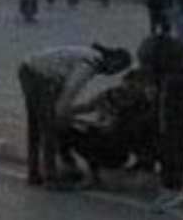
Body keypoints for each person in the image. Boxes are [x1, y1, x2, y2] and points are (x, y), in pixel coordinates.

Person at [17, 43, 132, 189]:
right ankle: (50, 178)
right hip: (41, 77)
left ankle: (34, 173)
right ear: (113, 61)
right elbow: (71, 89)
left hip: (28, 68)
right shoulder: (91, 63)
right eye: (117, 68)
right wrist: (60, 113)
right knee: (49, 129)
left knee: (35, 126)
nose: (113, 73)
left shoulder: (89, 54)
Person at [137, 28, 183, 213]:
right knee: (178, 140)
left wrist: (153, 92)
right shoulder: (180, 58)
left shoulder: (164, 73)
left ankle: (171, 189)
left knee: (169, 140)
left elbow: (154, 91)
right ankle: (172, 186)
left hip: (179, 94)